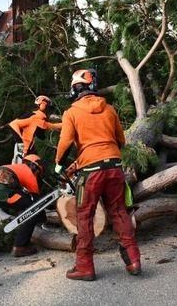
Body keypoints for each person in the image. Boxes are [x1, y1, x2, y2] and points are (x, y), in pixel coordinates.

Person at [55, 69, 141, 281]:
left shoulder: (71, 113)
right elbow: (121, 141)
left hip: (91, 173)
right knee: (120, 211)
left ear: (74, 90)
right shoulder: (109, 109)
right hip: (114, 167)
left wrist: (58, 165)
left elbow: (65, 143)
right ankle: (133, 261)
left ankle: (84, 266)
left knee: (85, 216)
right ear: (92, 87)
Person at [0, 154, 45, 259]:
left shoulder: (12, 166)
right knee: (33, 207)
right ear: (35, 167)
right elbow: (37, 200)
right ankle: (20, 246)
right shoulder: (28, 170)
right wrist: (42, 218)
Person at [9, 95, 62, 163]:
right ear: (43, 105)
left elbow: (41, 135)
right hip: (23, 148)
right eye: (48, 108)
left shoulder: (34, 116)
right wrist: (20, 141)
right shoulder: (36, 117)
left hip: (27, 148)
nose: (49, 111)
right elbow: (13, 124)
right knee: (19, 169)